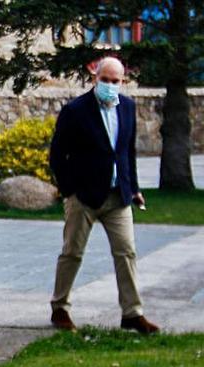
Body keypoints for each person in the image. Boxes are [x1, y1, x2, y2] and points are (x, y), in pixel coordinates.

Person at [47, 56, 159, 334]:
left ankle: (132, 313)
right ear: (95, 78)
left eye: (115, 81)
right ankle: (60, 307)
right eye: (105, 80)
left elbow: (126, 152)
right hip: (83, 196)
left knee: (126, 252)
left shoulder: (128, 108)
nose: (110, 85)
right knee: (72, 252)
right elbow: (58, 154)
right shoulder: (75, 110)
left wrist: (133, 188)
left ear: (123, 81)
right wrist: (69, 190)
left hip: (117, 195)